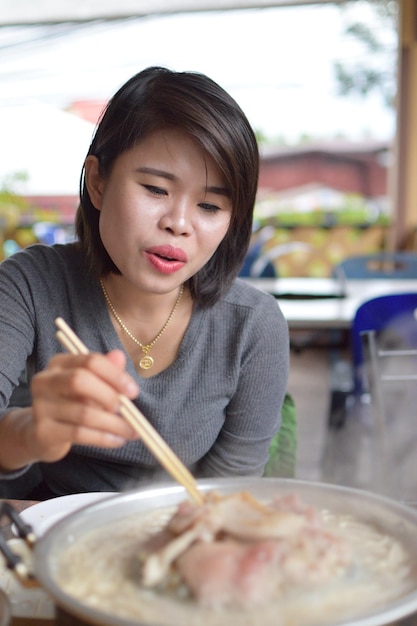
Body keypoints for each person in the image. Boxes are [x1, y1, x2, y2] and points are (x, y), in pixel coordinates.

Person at [0, 66, 289, 498]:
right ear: (98, 182)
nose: (178, 224)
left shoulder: (253, 325)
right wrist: (28, 432)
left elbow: (229, 492)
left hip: (182, 538)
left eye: (209, 205)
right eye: (156, 189)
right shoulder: (28, 285)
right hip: (43, 531)